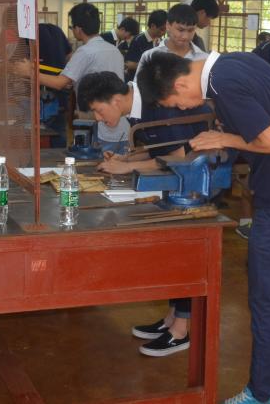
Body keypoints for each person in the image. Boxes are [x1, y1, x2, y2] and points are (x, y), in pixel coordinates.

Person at [137, 51, 270, 404]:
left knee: (268, 301)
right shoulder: (237, 59)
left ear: (180, 83)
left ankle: (261, 394)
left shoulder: (222, 85)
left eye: (176, 104)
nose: (183, 108)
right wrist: (250, 124)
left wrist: (227, 138)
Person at [77, 71, 212, 358]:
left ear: (116, 100)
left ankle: (181, 331)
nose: (99, 119)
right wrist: (127, 158)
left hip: (197, 183)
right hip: (177, 181)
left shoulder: (158, 104)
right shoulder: (139, 108)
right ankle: (172, 318)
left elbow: (181, 156)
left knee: (182, 255)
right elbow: (158, 149)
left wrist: (127, 167)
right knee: (172, 253)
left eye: (99, 111)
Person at [34, 3, 127, 154]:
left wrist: (30, 72)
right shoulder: (114, 50)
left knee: (100, 160)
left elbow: (59, 83)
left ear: (78, 29)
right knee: (117, 160)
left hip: (101, 120)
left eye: (72, 27)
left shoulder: (85, 51)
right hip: (120, 123)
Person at [135, 4, 209, 76]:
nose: (185, 36)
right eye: (180, 30)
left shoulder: (204, 59)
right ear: (168, 25)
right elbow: (139, 84)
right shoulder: (149, 57)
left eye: (190, 30)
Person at [37, 22, 73, 149]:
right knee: (59, 132)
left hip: (42, 92)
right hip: (60, 90)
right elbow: (69, 55)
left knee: (39, 135)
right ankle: (60, 157)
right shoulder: (56, 30)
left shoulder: (29, 36)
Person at [124, 9, 166, 80]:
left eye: (166, 30)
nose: (164, 32)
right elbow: (129, 64)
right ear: (152, 26)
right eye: (162, 29)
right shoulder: (138, 40)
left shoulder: (161, 41)